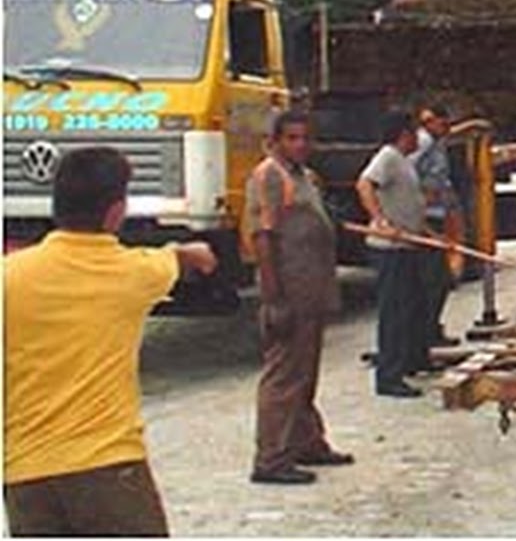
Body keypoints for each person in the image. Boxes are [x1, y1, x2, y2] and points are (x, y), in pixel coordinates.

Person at [3, 146, 218, 536]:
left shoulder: (10, 276)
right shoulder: (133, 272)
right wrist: (195, 253)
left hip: (26, 475)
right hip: (108, 468)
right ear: (116, 210)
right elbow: (181, 257)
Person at [246, 110, 351, 485]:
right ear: (275, 141)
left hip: (312, 291)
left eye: (305, 138)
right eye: (291, 138)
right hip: (289, 292)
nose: (300, 144)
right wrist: (274, 298)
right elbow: (263, 237)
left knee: (305, 372)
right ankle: (271, 459)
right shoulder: (269, 176)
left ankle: (307, 442)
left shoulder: (305, 177)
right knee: (283, 376)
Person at [356, 112, 430, 397]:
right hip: (389, 249)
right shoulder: (387, 156)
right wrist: (381, 221)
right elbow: (364, 184)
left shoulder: (404, 162)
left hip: (408, 245)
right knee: (394, 312)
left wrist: (427, 233)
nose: (417, 139)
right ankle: (388, 377)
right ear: (404, 134)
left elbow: (408, 203)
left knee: (410, 307)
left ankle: (409, 361)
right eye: (414, 133)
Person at [413, 105, 462, 349]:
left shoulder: (437, 142)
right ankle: (424, 334)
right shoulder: (422, 143)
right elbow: (406, 173)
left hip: (438, 214)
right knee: (432, 281)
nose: (446, 129)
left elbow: (441, 178)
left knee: (440, 280)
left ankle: (430, 330)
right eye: (443, 125)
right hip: (424, 218)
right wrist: (421, 198)